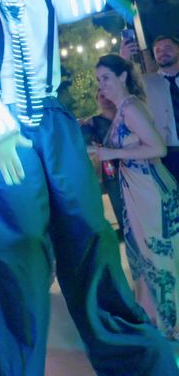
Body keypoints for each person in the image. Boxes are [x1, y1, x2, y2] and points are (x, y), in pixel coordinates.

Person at [0, 0, 179, 374]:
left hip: (53, 121)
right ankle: (10, 367)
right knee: (21, 251)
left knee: (90, 234)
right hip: (6, 129)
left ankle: (135, 357)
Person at [92, 54, 179, 341]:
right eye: (98, 80)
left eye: (106, 77)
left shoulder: (130, 108)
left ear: (123, 77)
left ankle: (172, 326)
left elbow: (158, 148)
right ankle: (160, 324)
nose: (101, 85)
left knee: (161, 260)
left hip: (151, 194)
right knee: (148, 260)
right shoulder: (120, 111)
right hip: (139, 195)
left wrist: (112, 153)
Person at [124, 35, 179, 181]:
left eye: (168, 48)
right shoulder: (146, 83)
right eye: (158, 50)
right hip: (168, 154)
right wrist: (124, 59)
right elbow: (124, 84)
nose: (162, 52)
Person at [80, 90, 124, 237]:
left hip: (133, 165)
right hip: (111, 169)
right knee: (118, 202)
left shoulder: (126, 115)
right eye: (101, 96)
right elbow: (83, 145)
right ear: (97, 100)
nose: (105, 99)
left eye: (107, 94)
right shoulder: (92, 123)